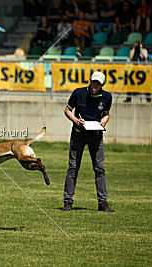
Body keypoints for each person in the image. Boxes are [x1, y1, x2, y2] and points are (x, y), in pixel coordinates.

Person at [62, 71, 115, 212]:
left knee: (99, 168)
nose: (94, 85)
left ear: (103, 84)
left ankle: (103, 203)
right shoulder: (78, 93)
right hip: (78, 133)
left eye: (98, 83)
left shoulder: (107, 96)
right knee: (73, 167)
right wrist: (75, 120)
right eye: (93, 81)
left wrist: (104, 121)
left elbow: (106, 115)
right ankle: (68, 202)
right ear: (90, 80)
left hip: (96, 135)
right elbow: (67, 110)